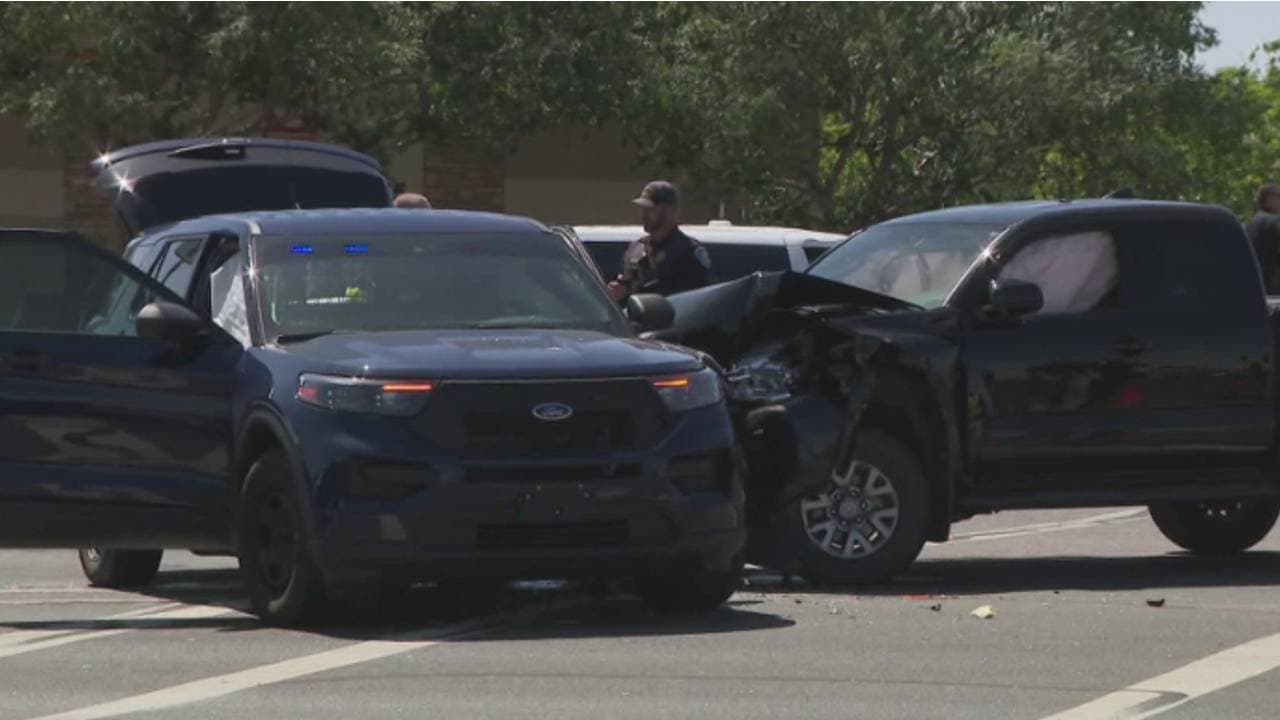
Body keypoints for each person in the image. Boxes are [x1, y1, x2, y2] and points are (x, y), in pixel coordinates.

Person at [607, 181, 714, 302]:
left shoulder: (687, 251)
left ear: (669, 211)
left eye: (650, 209)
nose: (644, 215)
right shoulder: (636, 248)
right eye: (643, 209)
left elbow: (695, 301)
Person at [1246, 183, 1280, 294]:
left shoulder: (1252, 222)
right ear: (1269, 199)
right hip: (1272, 290)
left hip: (1253, 287)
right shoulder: (1274, 222)